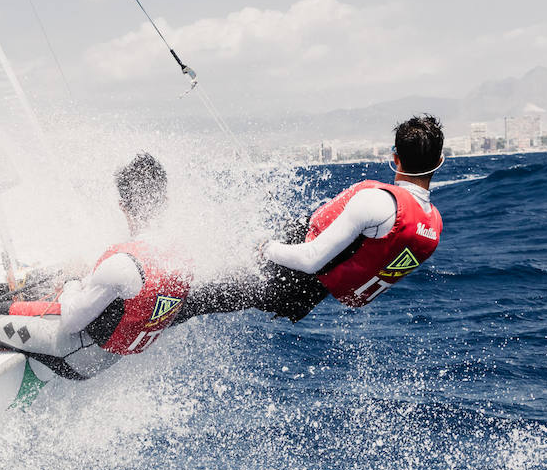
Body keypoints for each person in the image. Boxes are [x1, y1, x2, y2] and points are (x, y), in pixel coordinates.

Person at [0, 153, 191, 380]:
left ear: (123, 207)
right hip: (108, 354)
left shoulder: (123, 264)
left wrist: (72, 280)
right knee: (15, 300)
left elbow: (71, 320)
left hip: (77, 356)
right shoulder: (181, 256)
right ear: (165, 201)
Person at [176, 114, 445, 323]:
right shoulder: (433, 225)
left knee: (193, 298)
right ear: (440, 160)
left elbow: (310, 259)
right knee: (198, 294)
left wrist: (263, 247)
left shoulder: (377, 202)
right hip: (305, 296)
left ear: (395, 158)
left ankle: (141, 303)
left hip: (285, 275)